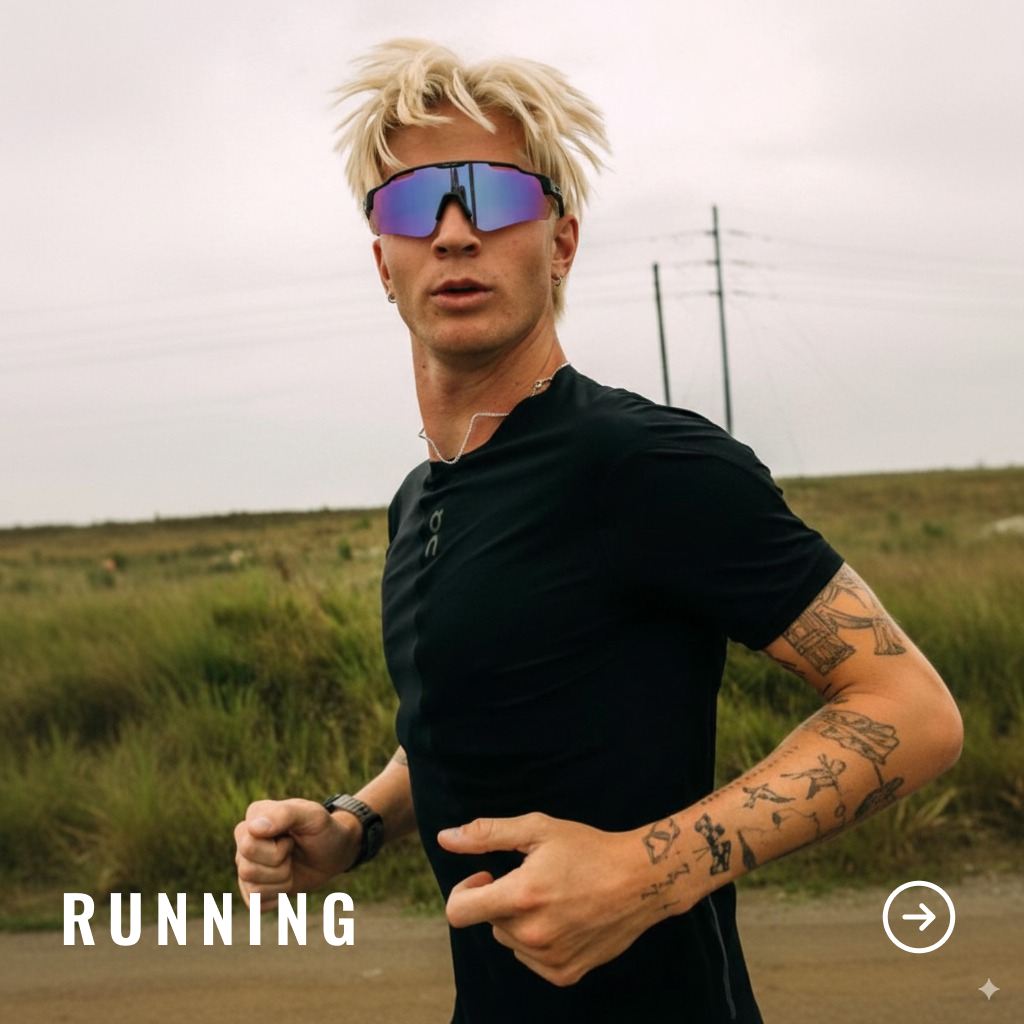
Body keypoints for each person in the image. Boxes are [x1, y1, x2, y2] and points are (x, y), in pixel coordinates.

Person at [234, 39, 963, 1023]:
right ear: (382, 260)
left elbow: (910, 710)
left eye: (492, 197)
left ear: (561, 242)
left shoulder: (643, 463)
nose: (453, 233)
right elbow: (467, 717)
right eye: (413, 204)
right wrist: (352, 826)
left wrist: (647, 872)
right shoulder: (423, 499)